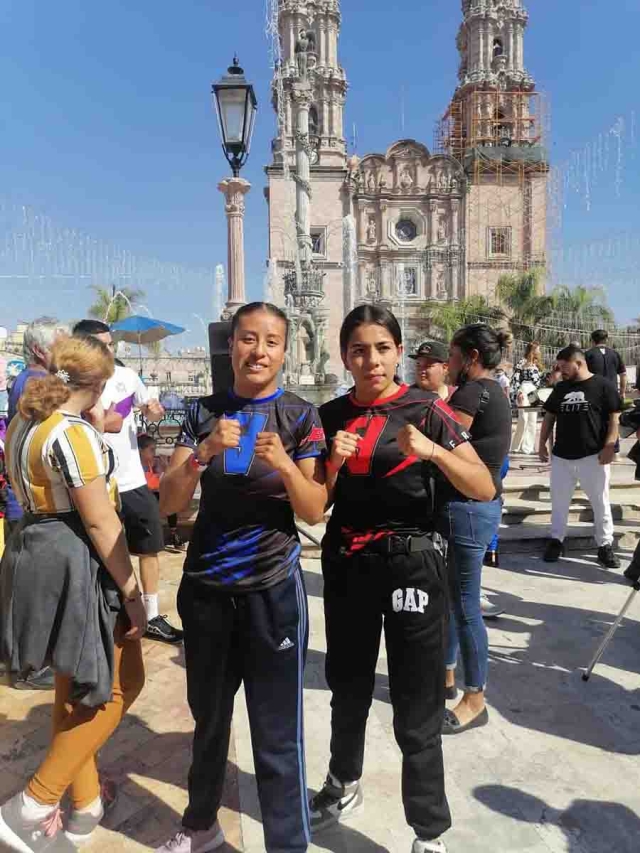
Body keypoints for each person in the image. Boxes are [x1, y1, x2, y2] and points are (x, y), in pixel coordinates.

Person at [310, 305, 495, 853]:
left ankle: (428, 831)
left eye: (383, 348)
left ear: (398, 351)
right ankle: (343, 781)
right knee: (348, 685)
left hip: (412, 563)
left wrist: (433, 451)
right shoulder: (327, 416)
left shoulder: (427, 409)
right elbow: (315, 505)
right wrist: (333, 466)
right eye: (359, 350)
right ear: (344, 356)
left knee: (416, 701)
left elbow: (483, 486)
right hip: (347, 562)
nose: (372, 360)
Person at [156, 302, 327, 853]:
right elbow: (170, 502)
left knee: (277, 734)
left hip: (272, 590)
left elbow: (314, 509)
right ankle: (200, 826)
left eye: (271, 341)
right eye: (248, 339)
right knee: (208, 722)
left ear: (284, 351)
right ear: (231, 345)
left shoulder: (302, 416)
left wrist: (282, 465)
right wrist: (202, 453)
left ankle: (288, 845)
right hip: (206, 588)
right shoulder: (202, 411)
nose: (259, 350)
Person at [0, 335, 146, 852]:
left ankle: (85, 808)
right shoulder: (74, 435)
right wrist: (133, 592)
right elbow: (102, 523)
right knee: (120, 682)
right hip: (78, 562)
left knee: (73, 681)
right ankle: (33, 804)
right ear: (101, 382)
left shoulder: (23, 424)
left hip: (34, 553)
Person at [73, 320, 183, 644]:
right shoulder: (72, 383)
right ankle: (107, 618)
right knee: (102, 554)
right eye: (101, 344)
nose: (109, 350)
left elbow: (150, 414)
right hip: (94, 484)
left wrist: (152, 410)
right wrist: (104, 420)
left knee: (149, 549)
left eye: (111, 344)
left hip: (132, 481)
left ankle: (150, 616)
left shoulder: (126, 377)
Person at [436, 324, 513, 734]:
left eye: (451, 355)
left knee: (465, 606)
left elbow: (447, 443)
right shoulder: (496, 391)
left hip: (466, 508)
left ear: (471, 358)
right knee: (454, 600)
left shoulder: (469, 393)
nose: (447, 363)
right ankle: (447, 677)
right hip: (477, 508)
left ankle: (475, 698)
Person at [3, 317, 68, 691]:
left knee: (19, 585)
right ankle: (27, 666)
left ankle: (18, 658)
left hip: (24, 499)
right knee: (29, 588)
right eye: (59, 343)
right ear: (41, 350)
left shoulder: (28, 381)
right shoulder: (35, 384)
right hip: (30, 501)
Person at [539, 344, 621, 568]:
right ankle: (556, 541)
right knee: (559, 503)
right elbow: (549, 417)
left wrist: (609, 447)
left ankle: (604, 546)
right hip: (562, 458)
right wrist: (541, 444)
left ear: (579, 363)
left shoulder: (603, 385)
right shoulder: (561, 388)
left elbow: (615, 418)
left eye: (564, 367)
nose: (561, 371)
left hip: (593, 457)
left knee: (600, 503)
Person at [138, 433, 185, 553]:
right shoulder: (135, 465)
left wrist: (165, 466)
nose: (154, 453)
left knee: (170, 502)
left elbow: (163, 477)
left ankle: (174, 533)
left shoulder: (154, 463)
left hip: (154, 493)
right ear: (140, 451)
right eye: (151, 450)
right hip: (142, 495)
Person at [510, 341, 543, 455]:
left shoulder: (537, 364)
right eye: (538, 349)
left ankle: (527, 448)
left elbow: (539, 382)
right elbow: (515, 378)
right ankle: (515, 446)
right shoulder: (521, 362)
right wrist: (517, 392)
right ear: (532, 350)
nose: (539, 351)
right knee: (523, 418)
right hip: (523, 389)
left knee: (532, 420)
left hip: (533, 392)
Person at [585, 330, 627, 399]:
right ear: (606, 340)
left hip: (594, 394)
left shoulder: (587, 354)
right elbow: (623, 375)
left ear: (592, 340)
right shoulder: (615, 354)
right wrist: (622, 392)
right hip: (613, 393)